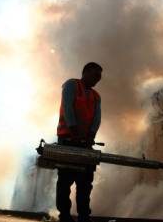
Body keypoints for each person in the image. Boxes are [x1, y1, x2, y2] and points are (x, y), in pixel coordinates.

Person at [56, 62, 102, 222]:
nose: (98, 79)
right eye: (96, 75)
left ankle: (84, 216)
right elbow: (67, 107)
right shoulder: (71, 85)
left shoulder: (96, 96)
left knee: (85, 183)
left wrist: (90, 136)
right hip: (68, 141)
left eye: (100, 76)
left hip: (85, 144)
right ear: (86, 72)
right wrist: (74, 130)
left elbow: (97, 119)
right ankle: (65, 216)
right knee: (65, 182)